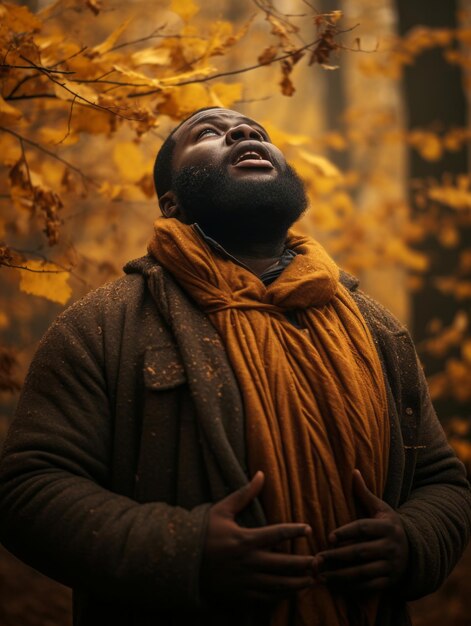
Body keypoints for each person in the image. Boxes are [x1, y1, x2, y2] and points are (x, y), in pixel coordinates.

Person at [0, 106, 470, 626]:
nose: (245, 132)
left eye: (256, 132)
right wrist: (184, 551)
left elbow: (442, 482)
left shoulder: (377, 330)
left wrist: (411, 542)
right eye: (209, 133)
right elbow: (27, 490)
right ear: (170, 201)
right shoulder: (103, 326)